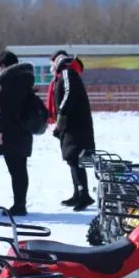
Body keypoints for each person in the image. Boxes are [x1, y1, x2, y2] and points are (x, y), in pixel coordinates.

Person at [0, 50, 35, 216]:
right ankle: (20, 203)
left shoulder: (10, 84)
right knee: (20, 170)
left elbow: (6, 111)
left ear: (3, 66)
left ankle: (19, 205)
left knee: (16, 171)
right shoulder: (24, 81)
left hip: (12, 133)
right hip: (24, 132)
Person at [51, 51, 95, 211]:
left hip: (76, 126)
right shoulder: (65, 74)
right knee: (72, 160)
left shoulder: (67, 72)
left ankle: (84, 195)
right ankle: (78, 193)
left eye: (52, 62)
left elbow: (69, 94)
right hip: (72, 126)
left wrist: (61, 115)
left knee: (76, 160)